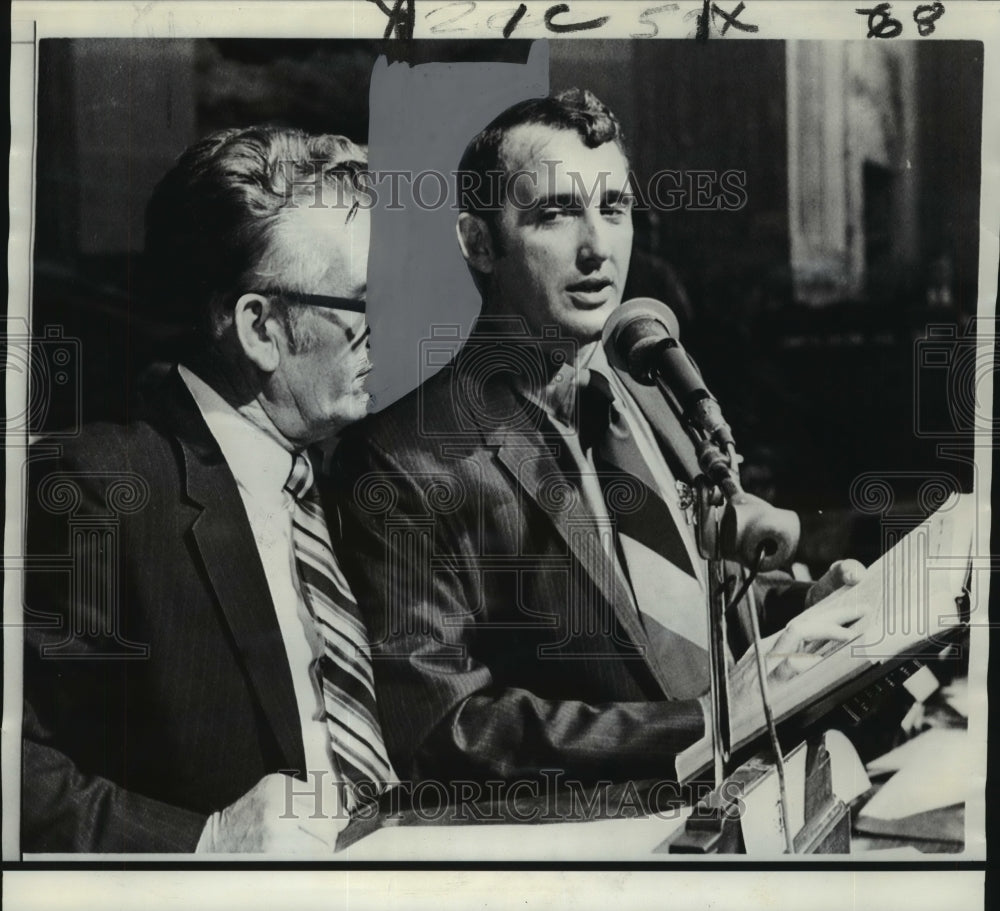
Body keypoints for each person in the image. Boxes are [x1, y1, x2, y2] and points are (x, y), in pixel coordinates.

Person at [334, 89, 862, 803]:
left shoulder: (638, 386)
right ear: (478, 242)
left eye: (613, 208)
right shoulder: (405, 459)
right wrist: (702, 727)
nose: (597, 248)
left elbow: (669, 612)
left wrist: (799, 609)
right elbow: (444, 728)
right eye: (554, 213)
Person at [22, 126, 389, 852]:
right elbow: (16, 766)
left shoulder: (349, 477)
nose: (388, 329)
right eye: (361, 302)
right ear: (260, 328)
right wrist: (204, 844)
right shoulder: (101, 490)